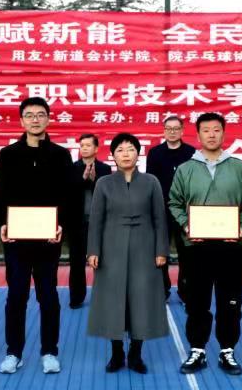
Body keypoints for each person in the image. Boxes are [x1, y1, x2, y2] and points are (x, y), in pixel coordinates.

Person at [0, 97, 76, 375]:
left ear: (48, 119)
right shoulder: (8, 154)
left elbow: (69, 195)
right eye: (29, 115)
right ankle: (13, 352)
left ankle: (49, 351)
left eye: (41, 114)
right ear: (21, 120)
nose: (35, 120)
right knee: (16, 296)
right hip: (16, 240)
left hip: (47, 239)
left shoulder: (60, 155)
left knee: (48, 296)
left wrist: (61, 224)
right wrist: (2, 223)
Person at [169, 112, 242, 376]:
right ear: (198, 135)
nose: (211, 134)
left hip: (229, 247)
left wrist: (241, 228)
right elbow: (174, 202)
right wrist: (187, 227)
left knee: (230, 301)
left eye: (216, 130)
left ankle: (227, 350)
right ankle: (198, 349)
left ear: (224, 133)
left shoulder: (238, 167)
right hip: (196, 248)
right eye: (206, 130)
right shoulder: (186, 169)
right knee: (197, 301)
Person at [87, 133, 169, 374]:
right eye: (120, 150)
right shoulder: (104, 183)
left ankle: (136, 353)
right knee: (113, 300)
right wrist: (93, 250)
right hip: (111, 247)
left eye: (130, 149)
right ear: (112, 155)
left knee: (141, 299)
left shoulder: (151, 182)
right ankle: (116, 353)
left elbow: (159, 218)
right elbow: (96, 220)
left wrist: (161, 250)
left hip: (145, 247)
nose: (125, 154)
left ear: (138, 153)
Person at [146, 115, 196, 303]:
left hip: (185, 211)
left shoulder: (191, 152)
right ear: (164, 131)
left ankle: (186, 291)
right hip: (161, 210)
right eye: (169, 128)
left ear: (182, 131)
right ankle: (162, 290)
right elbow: (150, 182)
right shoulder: (155, 153)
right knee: (160, 252)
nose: (172, 132)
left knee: (187, 254)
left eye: (176, 128)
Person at [68, 133, 111, 309]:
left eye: (88, 145)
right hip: (77, 223)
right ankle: (76, 298)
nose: (84, 148)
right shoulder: (72, 168)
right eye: (82, 145)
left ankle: (103, 297)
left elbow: (108, 193)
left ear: (96, 148)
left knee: (101, 261)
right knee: (76, 262)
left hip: (99, 223)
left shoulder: (104, 169)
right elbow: (68, 193)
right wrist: (82, 179)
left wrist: (94, 181)